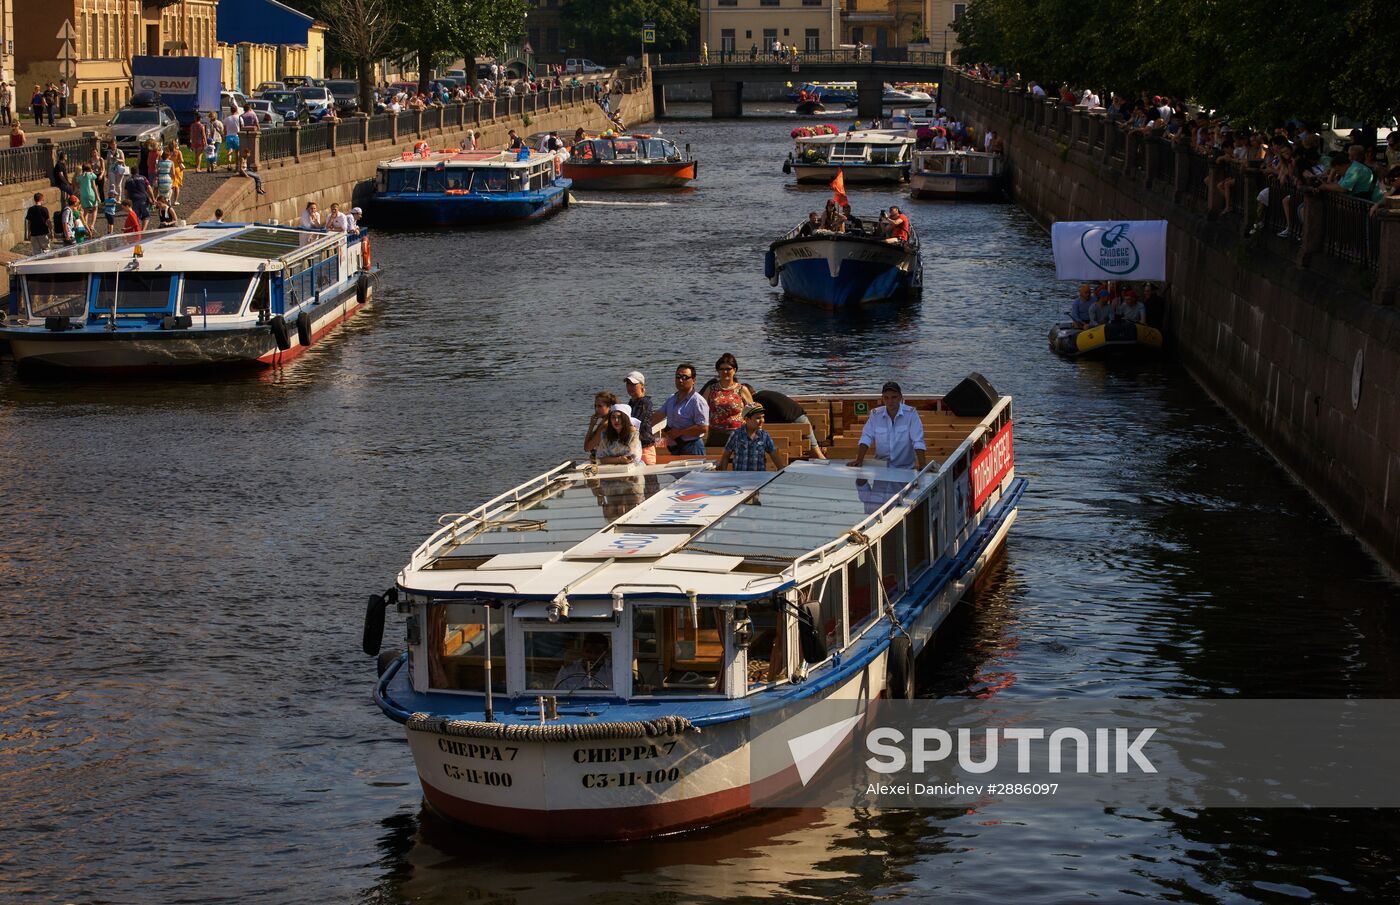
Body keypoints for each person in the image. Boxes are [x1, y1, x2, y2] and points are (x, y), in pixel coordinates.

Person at [847, 382, 926, 470]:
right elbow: (867, 437)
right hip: (880, 468)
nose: (890, 401)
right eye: (886, 398)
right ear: (882, 398)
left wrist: (923, 465)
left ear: (900, 397)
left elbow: (917, 440)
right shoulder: (875, 414)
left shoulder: (911, 414)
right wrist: (859, 460)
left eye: (894, 397)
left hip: (905, 468)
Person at [752, 388, 826, 459]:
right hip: (801, 417)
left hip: (793, 421)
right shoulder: (763, 394)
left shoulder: (756, 401)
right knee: (815, 451)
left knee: (816, 454)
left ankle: (826, 469)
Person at [657, 362, 710, 456]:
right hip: (674, 448)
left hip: (692, 448)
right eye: (678, 377)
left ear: (693, 380)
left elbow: (703, 427)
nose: (680, 380)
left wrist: (680, 432)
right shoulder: (671, 399)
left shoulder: (698, 401)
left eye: (685, 377)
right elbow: (658, 416)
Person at [704, 353, 755, 447]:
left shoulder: (742, 389)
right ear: (718, 371)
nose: (725, 372)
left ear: (734, 370)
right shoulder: (710, 389)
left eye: (728, 369)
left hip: (738, 435)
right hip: (716, 434)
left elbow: (753, 413)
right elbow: (701, 410)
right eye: (722, 369)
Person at [718, 404, 781, 472]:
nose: (762, 420)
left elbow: (774, 454)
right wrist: (723, 473)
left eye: (762, 417)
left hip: (759, 478)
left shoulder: (764, 435)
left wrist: (781, 469)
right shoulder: (736, 434)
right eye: (758, 418)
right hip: (739, 477)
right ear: (747, 419)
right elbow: (726, 456)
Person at [624, 371, 657, 465]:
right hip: (634, 447)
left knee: (649, 479)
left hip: (645, 449)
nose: (630, 387)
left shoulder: (645, 403)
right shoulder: (631, 403)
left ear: (642, 385)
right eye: (628, 384)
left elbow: (636, 423)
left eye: (633, 384)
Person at [584, 390, 620, 457]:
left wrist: (591, 426)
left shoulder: (605, 426)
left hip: (603, 461)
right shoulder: (604, 422)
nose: (596, 409)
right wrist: (592, 425)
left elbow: (587, 448)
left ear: (609, 407)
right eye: (595, 406)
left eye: (600, 406)